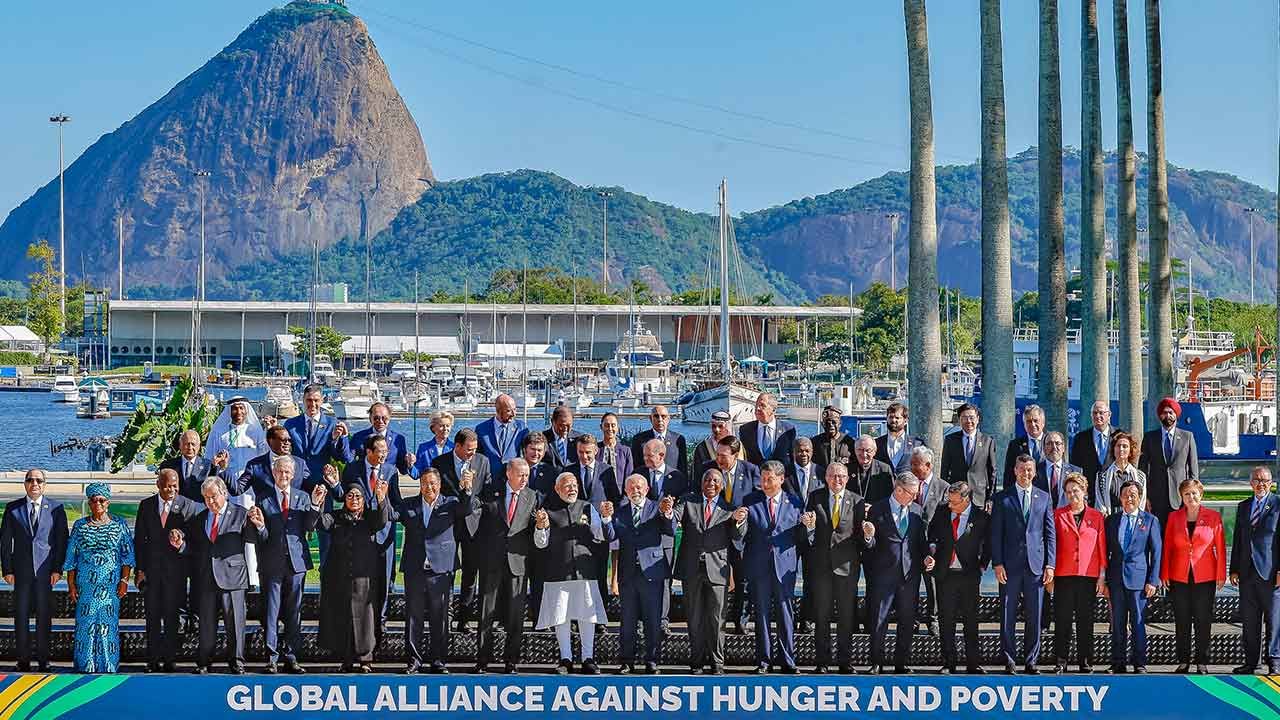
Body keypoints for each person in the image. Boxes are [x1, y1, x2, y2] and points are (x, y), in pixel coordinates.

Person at [179, 476, 266, 674]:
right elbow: (193, 547)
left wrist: (259, 525)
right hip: (207, 578)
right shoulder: (200, 518)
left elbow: (257, 539)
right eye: (206, 498)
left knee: (235, 623)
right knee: (207, 624)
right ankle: (204, 662)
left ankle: (236, 661)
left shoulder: (240, 514)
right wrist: (181, 546)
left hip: (233, 577)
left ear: (224, 493)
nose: (210, 501)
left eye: (213, 496)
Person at [398, 467, 479, 675]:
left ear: (439, 484)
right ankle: (414, 660)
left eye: (433, 483)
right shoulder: (409, 504)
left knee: (441, 617)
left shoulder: (451, 503)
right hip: (415, 569)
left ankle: (439, 660)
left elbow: (467, 509)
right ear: (420, 485)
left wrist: (467, 489)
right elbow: (390, 514)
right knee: (413, 618)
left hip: (441, 569)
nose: (429, 487)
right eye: (425, 483)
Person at [534, 472, 616, 674]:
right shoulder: (548, 510)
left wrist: (606, 518)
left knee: (587, 615)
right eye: (566, 485)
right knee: (561, 616)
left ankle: (588, 658)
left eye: (574, 484)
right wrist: (540, 527)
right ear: (557, 488)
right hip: (557, 572)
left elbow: (601, 535)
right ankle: (566, 658)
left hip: (584, 571)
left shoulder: (587, 507)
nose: (572, 488)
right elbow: (540, 543)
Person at [737, 461, 806, 673]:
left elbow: (801, 538)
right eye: (762, 478)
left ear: (781, 479)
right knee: (762, 614)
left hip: (784, 567)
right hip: (758, 567)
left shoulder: (795, 502)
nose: (764, 483)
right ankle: (764, 661)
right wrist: (739, 523)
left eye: (769, 479)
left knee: (786, 614)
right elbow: (742, 535)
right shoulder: (750, 501)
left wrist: (809, 527)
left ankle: (788, 660)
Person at [256, 457, 323, 674]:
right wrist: (258, 527)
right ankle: (271, 657)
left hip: (296, 562)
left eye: (287, 473)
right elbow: (263, 536)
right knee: (271, 612)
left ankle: (291, 656)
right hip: (272, 562)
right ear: (273, 473)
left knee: (294, 612)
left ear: (293, 475)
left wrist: (314, 505)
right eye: (279, 472)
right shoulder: (263, 498)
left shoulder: (303, 497)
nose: (283, 476)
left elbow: (309, 527)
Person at [473, 458, 540, 674]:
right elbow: (477, 524)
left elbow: (533, 530)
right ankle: (483, 659)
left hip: (518, 564)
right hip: (491, 563)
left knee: (515, 616)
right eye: (521, 474)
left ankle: (511, 660)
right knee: (486, 613)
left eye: (527, 475)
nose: (524, 479)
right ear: (509, 473)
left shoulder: (532, 496)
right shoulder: (491, 493)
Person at [316, 480, 391, 673]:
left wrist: (382, 498)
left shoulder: (369, 519)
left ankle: (366, 659)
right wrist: (318, 503)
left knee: (366, 619)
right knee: (344, 618)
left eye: (358, 496)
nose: (354, 500)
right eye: (350, 496)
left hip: (364, 579)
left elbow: (382, 520)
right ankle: (346, 658)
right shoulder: (336, 517)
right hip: (340, 578)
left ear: (364, 500)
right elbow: (321, 523)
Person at [804, 462, 872, 673]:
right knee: (821, 617)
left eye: (841, 476)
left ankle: (845, 661)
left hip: (847, 568)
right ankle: (822, 662)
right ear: (826, 478)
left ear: (847, 478)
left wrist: (869, 537)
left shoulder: (858, 501)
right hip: (821, 568)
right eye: (833, 476)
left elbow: (862, 537)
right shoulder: (815, 497)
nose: (837, 480)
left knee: (846, 618)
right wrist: (809, 528)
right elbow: (809, 535)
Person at [991, 453, 1056, 674]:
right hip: (1009, 566)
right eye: (1021, 469)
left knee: (1035, 615)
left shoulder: (1044, 497)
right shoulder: (1002, 498)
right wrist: (997, 563)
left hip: (1036, 566)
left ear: (1034, 472)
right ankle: (1009, 659)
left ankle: (1031, 660)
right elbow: (995, 534)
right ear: (1015, 471)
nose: (1025, 473)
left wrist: (1050, 564)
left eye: (1029, 470)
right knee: (1007, 614)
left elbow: (1050, 534)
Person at [674, 469, 743, 674]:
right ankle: (696, 663)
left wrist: (738, 521)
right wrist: (667, 511)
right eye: (707, 479)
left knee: (717, 620)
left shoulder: (729, 508)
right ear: (701, 482)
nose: (711, 483)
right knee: (694, 619)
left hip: (718, 570)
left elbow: (737, 538)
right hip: (691, 569)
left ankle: (717, 663)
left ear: (721, 485)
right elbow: (672, 518)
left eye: (715, 480)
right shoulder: (689, 502)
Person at [0, 468, 69, 672]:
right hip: (20, 573)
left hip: (46, 573)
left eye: (39, 480)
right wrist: (7, 570)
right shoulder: (13, 509)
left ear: (44, 484)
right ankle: (22, 659)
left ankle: (43, 659)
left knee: (44, 615)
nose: (34, 483)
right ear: (25, 484)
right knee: (20, 615)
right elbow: (5, 543)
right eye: (30, 480)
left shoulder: (56, 509)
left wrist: (58, 569)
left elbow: (61, 541)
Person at [63, 482, 134, 673]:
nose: (98, 504)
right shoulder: (80, 525)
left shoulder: (119, 525)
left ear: (108, 502)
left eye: (102, 500)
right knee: (86, 624)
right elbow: (72, 557)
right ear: (89, 502)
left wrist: (124, 581)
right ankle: (85, 665)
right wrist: (71, 584)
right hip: (86, 585)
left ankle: (108, 665)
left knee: (107, 624)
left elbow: (127, 556)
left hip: (110, 585)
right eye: (94, 500)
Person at [341, 434, 404, 646]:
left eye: (386, 451)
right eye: (380, 451)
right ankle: (358, 627)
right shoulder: (352, 469)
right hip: (359, 538)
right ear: (369, 451)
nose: (384, 455)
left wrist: (388, 513)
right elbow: (345, 498)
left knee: (384, 581)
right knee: (360, 585)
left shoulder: (390, 471)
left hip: (384, 536)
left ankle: (381, 622)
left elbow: (397, 504)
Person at [134, 469, 200, 672]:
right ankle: (152, 660)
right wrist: (140, 570)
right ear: (158, 485)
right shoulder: (146, 505)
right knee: (152, 618)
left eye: (175, 486)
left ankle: (171, 659)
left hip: (176, 573)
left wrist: (181, 544)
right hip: (152, 572)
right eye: (168, 486)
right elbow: (139, 540)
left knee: (173, 618)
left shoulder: (187, 506)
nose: (172, 490)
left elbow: (194, 540)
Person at [1162, 478, 1225, 675]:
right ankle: (1183, 660)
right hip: (1179, 576)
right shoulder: (1174, 517)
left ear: (1201, 494)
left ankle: (1202, 661)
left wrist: (1220, 574)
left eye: (1194, 493)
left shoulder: (1213, 517)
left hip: (1204, 577)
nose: (1191, 497)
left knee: (1203, 619)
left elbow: (1220, 548)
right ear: (1181, 497)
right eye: (1187, 494)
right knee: (1181, 619)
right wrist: (1164, 573)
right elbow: (1167, 548)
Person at [610, 474, 673, 674]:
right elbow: (610, 536)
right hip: (628, 574)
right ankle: (627, 661)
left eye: (639, 487)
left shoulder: (657, 508)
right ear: (626, 491)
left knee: (653, 620)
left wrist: (668, 513)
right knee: (627, 621)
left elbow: (670, 530)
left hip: (652, 571)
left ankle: (652, 660)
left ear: (646, 489)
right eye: (631, 488)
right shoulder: (619, 512)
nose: (635, 491)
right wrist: (605, 519)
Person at [927, 481, 990, 674]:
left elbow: (988, 543)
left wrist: (982, 565)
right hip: (946, 575)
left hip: (969, 576)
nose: (950, 506)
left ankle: (973, 663)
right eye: (949, 501)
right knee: (947, 621)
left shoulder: (980, 516)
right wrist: (931, 553)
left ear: (966, 499)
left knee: (971, 621)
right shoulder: (941, 511)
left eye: (954, 502)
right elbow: (932, 537)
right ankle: (949, 662)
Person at [205, 397, 268, 589]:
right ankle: (227, 574)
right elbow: (209, 461)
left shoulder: (256, 432)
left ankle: (252, 577)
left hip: (250, 491)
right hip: (227, 491)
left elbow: (265, 458)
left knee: (249, 531)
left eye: (241, 409)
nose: (238, 413)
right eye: (234, 409)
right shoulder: (219, 433)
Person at [432, 427, 492, 631]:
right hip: (448, 525)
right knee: (446, 572)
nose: (472, 453)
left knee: (470, 574)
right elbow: (436, 495)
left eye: (474, 449)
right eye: (468, 449)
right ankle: (444, 618)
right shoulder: (440, 463)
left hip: (473, 525)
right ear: (457, 446)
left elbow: (486, 491)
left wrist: (473, 504)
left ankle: (464, 619)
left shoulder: (482, 461)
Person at [283, 384, 350, 563]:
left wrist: (337, 439)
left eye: (316, 400)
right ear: (303, 401)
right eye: (309, 400)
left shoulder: (331, 424)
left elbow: (343, 457)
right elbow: (284, 452)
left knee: (324, 533)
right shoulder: (290, 424)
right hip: (296, 486)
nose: (312, 404)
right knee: (295, 530)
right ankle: (296, 571)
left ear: (322, 401)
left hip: (321, 486)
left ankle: (326, 577)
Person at [1102, 479, 1162, 674]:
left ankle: (1139, 663)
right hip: (1116, 580)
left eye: (1133, 495)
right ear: (1120, 497)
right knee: (1117, 624)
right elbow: (1105, 552)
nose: (1129, 498)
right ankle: (1118, 662)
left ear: (1139, 497)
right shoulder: (1111, 521)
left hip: (1139, 581)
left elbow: (1157, 552)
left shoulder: (1150, 520)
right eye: (1126, 494)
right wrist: (1104, 579)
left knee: (1138, 623)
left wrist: (1153, 580)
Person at [863, 472, 920, 674]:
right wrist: (869, 537)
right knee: (879, 619)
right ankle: (876, 662)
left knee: (907, 620)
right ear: (898, 489)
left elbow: (919, 542)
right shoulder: (877, 509)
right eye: (911, 493)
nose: (914, 497)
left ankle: (901, 663)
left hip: (909, 576)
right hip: (883, 575)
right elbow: (868, 546)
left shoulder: (917, 511)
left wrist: (928, 558)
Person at [1050, 472, 1106, 674]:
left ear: (1084, 491)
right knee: (1062, 620)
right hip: (1063, 575)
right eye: (1068, 491)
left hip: (1087, 576)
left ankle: (1085, 662)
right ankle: (1061, 661)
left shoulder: (1097, 516)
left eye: (1076, 490)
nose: (1072, 494)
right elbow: (1051, 545)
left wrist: (1102, 576)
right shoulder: (1057, 515)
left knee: (1085, 621)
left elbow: (1101, 547)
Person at [1229, 466, 1280, 675]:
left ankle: (1275, 661)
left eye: (1265, 480)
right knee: (1250, 621)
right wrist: (1233, 569)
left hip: (1271, 573)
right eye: (1257, 480)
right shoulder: (1244, 506)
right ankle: (1252, 662)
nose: (1261, 484)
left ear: (1271, 483)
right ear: (1251, 483)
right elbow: (1238, 540)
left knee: (1274, 620)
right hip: (1247, 573)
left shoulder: (1278, 505)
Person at [710, 435, 760, 634]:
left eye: (723, 456)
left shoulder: (751, 471)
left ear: (736, 454)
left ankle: (741, 620)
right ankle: (717, 620)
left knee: (743, 581)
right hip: (716, 534)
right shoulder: (709, 469)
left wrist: (742, 517)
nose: (719, 459)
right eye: (717, 454)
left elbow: (757, 500)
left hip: (741, 535)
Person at [565, 434, 618, 605]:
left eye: (588, 452)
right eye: (580, 452)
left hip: (598, 532)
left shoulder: (607, 470)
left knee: (599, 574)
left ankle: (599, 618)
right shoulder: (569, 470)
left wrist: (608, 512)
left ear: (596, 450)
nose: (584, 456)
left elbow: (615, 498)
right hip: (575, 532)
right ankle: (574, 617)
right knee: (575, 575)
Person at [1139, 397, 1199, 529]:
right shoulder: (1149, 438)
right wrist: (1145, 496)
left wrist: (1191, 495)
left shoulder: (1187, 437)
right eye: (1165, 412)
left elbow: (1193, 470)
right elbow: (1142, 469)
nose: (1168, 415)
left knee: (1179, 536)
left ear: (1176, 415)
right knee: (1158, 537)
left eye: (1171, 412)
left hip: (1179, 497)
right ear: (1160, 415)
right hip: (1156, 497)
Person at [909, 446, 948, 636]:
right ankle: (912, 619)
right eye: (911, 464)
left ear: (928, 465)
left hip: (932, 546)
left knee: (932, 585)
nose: (913, 467)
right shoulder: (908, 483)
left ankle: (933, 619)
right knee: (910, 585)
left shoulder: (943, 487)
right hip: (910, 544)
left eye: (916, 464)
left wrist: (936, 546)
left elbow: (945, 520)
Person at [940, 402, 997, 510]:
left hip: (979, 497)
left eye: (971, 417)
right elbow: (944, 469)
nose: (968, 421)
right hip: (957, 496)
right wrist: (946, 494)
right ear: (959, 419)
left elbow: (992, 472)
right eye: (964, 417)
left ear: (978, 418)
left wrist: (990, 497)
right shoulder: (950, 440)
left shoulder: (988, 441)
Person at [233, 425, 312, 500]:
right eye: (283, 440)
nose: (287, 443)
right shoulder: (254, 465)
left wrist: (324, 480)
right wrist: (223, 469)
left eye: (289, 440)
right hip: (265, 513)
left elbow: (311, 487)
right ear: (270, 441)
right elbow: (237, 489)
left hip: (293, 512)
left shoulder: (300, 463)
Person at [1070, 401, 1120, 507]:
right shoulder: (1080, 438)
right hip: (1089, 497)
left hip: (1114, 496)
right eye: (1095, 413)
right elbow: (1075, 468)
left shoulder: (1119, 436)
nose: (1098, 416)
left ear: (1109, 414)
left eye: (1101, 413)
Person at [349, 402, 414, 474]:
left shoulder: (398, 439)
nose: (380, 421)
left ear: (389, 418)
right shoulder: (359, 437)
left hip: (388, 482)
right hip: (364, 481)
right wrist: (342, 438)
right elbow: (349, 459)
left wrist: (409, 463)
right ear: (370, 418)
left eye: (384, 418)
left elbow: (403, 470)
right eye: (376, 418)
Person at [159, 429, 221, 502]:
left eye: (193, 444)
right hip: (175, 509)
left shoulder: (208, 466)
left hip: (199, 510)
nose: (190, 448)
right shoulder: (168, 465)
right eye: (186, 444)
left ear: (199, 446)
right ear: (180, 445)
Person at [739, 393, 797, 466]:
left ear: (773, 410)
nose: (757, 408)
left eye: (762, 405)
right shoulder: (745, 430)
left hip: (780, 475)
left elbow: (792, 459)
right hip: (755, 476)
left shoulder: (788, 430)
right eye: (756, 405)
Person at [630, 405, 688, 478]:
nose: (660, 419)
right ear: (651, 418)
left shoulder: (678, 439)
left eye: (663, 416)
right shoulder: (639, 440)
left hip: (672, 484)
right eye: (656, 416)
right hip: (646, 485)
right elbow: (635, 466)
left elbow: (683, 467)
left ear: (668, 419)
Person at [1096, 431, 1144, 516]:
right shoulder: (1102, 476)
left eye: (1125, 446)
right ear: (1113, 449)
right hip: (1110, 521)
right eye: (1118, 446)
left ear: (1130, 451)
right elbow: (1100, 504)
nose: (1121, 449)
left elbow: (1141, 501)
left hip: (1133, 520)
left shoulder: (1140, 476)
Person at [475, 393, 528, 469]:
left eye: (515, 409)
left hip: (513, 477)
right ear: (498, 411)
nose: (514, 414)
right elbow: (477, 458)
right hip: (490, 477)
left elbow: (527, 452)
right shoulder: (481, 429)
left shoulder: (521, 428)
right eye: (509, 411)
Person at [1002, 404, 1049, 490]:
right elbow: (1009, 474)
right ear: (1024, 424)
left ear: (1043, 423)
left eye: (1036, 420)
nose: (1033, 424)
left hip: (1047, 495)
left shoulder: (1052, 442)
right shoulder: (1015, 445)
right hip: (1023, 494)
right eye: (1029, 421)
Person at [1036, 432, 1081, 509]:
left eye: (1057, 443)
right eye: (1049, 443)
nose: (1054, 447)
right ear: (1043, 448)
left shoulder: (1076, 471)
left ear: (1063, 448)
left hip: (1067, 518)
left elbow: (1082, 498)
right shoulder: (1035, 471)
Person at [875, 402, 920, 474]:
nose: (893, 420)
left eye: (897, 418)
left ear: (905, 421)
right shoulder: (877, 443)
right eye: (890, 417)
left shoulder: (917, 444)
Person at [848, 435, 894, 504]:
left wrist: (874, 508)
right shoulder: (847, 469)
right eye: (860, 450)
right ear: (855, 451)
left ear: (874, 451)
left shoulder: (884, 469)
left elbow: (889, 496)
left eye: (868, 450)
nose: (864, 454)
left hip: (877, 511)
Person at [410, 410, 455, 479]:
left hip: (449, 489)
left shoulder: (454, 448)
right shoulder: (423, 448)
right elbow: (417, 474)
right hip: (429, 488)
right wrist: (410, 464)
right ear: (433, 427)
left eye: (448, 426)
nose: (445, 429)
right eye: (441, 426)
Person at [598, 411, 634, 489]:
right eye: (607, 425)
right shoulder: (595, 449)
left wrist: (624, 499)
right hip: (599, 495)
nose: (610, 428)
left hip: (619, 496)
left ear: (617, 428)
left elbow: (629, 477)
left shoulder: (626, 451)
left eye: (613, 425)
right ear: (601, 427)